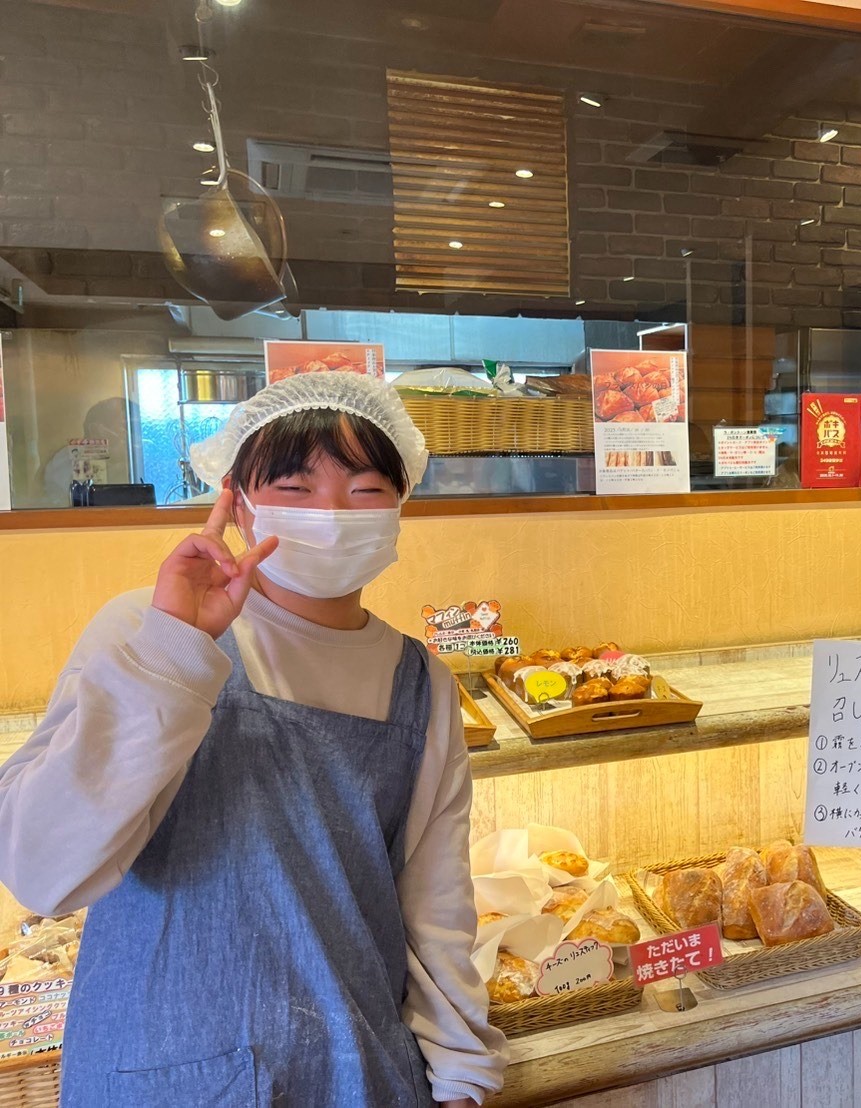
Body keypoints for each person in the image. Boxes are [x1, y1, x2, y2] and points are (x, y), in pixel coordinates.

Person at [0, 372, 506, 1106]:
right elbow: (45, 871)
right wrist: (174, 652)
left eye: (363, 490)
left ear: (401, 504)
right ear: (234, 502)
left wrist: (460, 1069)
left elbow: (434, 897)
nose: (330, 515)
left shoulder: (420, 680)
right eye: (295, 491)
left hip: (356, 1068)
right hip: (159, 1070)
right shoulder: (145, 630)